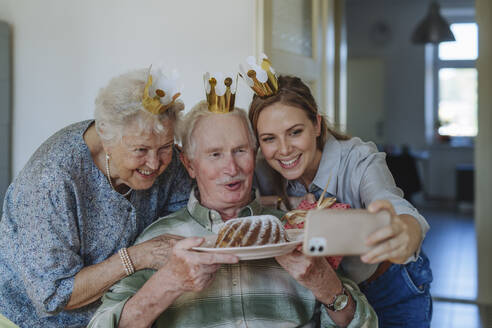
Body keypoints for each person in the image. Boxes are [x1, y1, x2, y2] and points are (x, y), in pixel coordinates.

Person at [88, 97, 377, 327]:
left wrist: (324, 284)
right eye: (215, 154)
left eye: (240, 151)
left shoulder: (295, 230)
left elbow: (365, 322)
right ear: (189, 164)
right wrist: (168, 283)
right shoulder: (158, 241)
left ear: (254, 154)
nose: (232, 168)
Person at [244, 57, 433, 327]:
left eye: (295, 132)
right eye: (269, 138)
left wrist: (405, 232)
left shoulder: (359, 160)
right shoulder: (264, 168)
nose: (284, 150)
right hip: (330, 296)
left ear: (317, 125)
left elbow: (396, 207)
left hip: (389, 285)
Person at [0, 67, 192, 327]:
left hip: (115, 315)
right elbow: (55, 294)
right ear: (106, 138)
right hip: (26, 319)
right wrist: (136, 257)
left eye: (165, 147)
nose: (154, 162)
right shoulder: (52, 179)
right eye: (140, 150)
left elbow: (189, 214)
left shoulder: (166, 161)